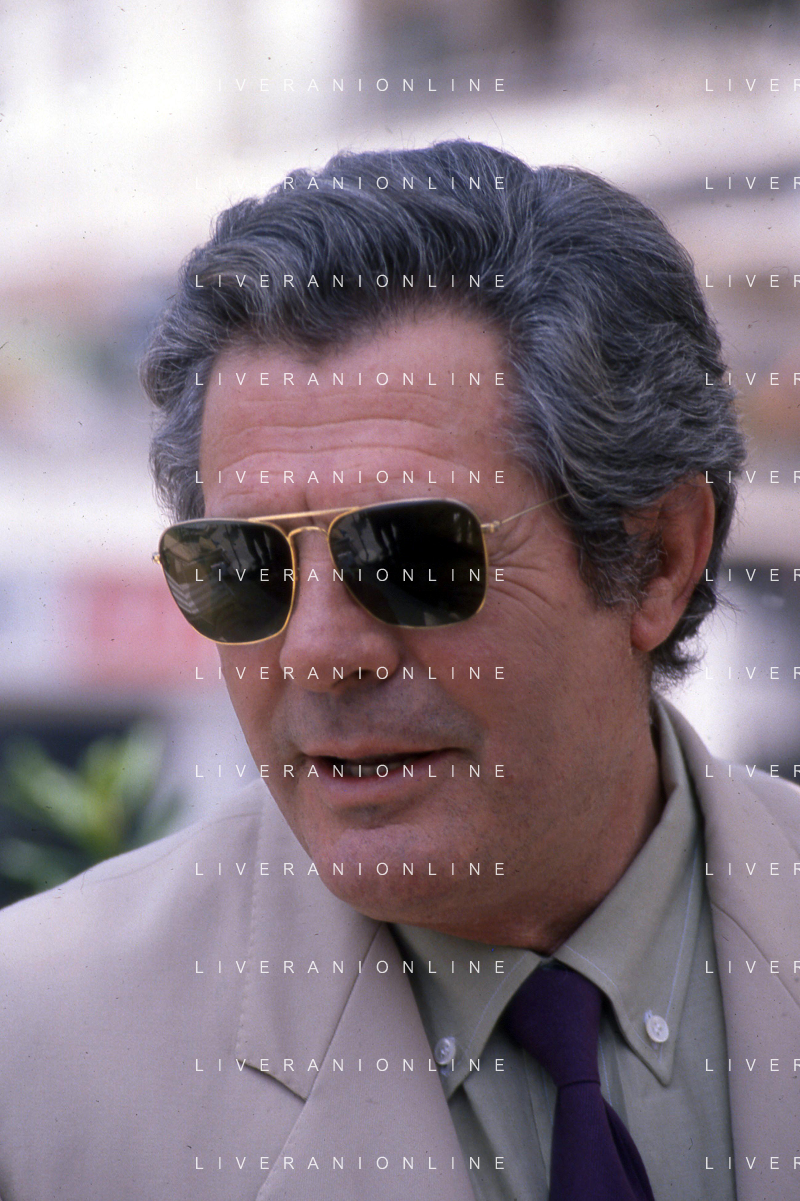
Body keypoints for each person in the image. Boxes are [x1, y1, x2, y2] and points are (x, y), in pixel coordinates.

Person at [1, 140, 797, 1201]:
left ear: (657, 555)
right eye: (243, 568)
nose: (318, 653)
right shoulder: (33, 1054)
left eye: (413, 558)